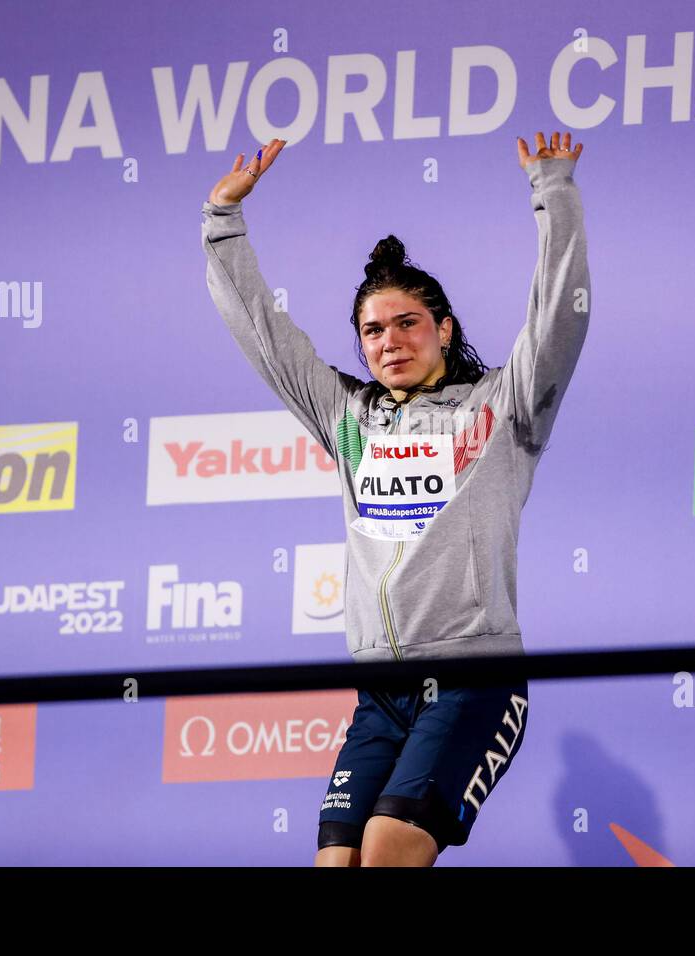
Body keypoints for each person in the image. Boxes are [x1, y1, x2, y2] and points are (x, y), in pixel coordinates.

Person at [201, 132, 589, 866]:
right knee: (337, 862)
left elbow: (559, 321)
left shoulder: (498, 411)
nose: (390, 341)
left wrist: (554, 193)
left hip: (474, 677)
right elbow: (265, 337)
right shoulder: (348, 417)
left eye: (408, 323)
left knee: (385, 851)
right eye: (372, 330)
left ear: (443, 328)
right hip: (379, 691)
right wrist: (222, 222)